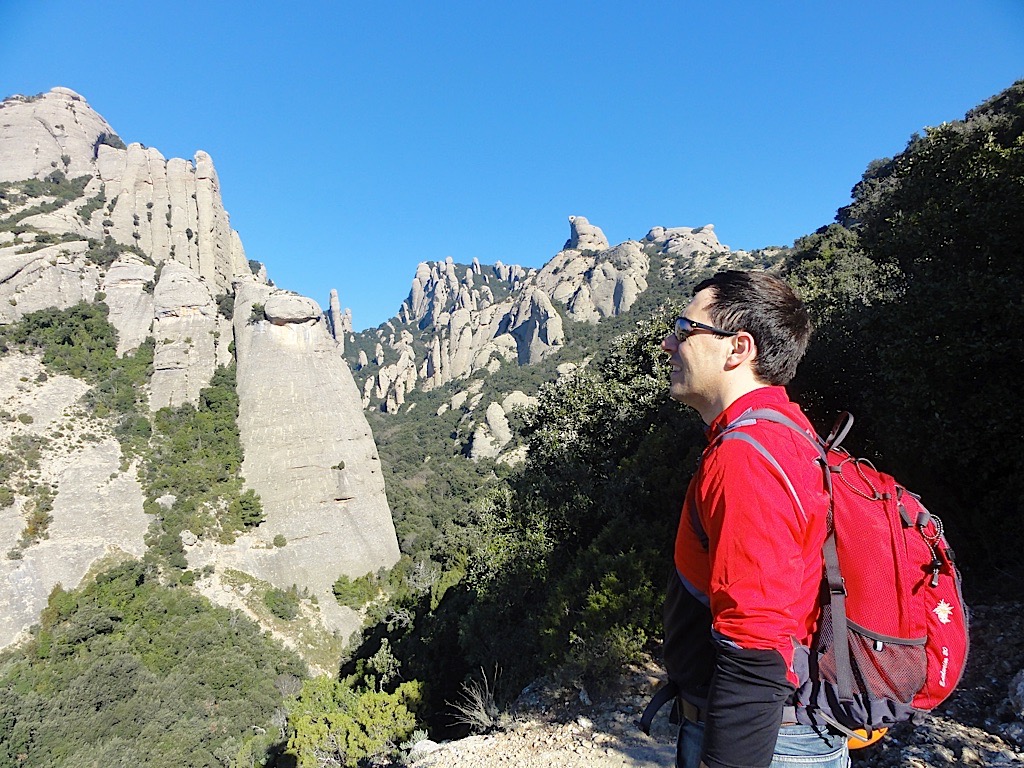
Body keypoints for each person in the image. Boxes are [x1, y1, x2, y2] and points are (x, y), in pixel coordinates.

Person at [659, 270, 849, 768]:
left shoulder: (747, 457)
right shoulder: (782, 429)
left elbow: (755, 643)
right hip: (782, 732)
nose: (667, 344)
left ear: (737, 349)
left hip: (772, 744)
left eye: (684, 330)